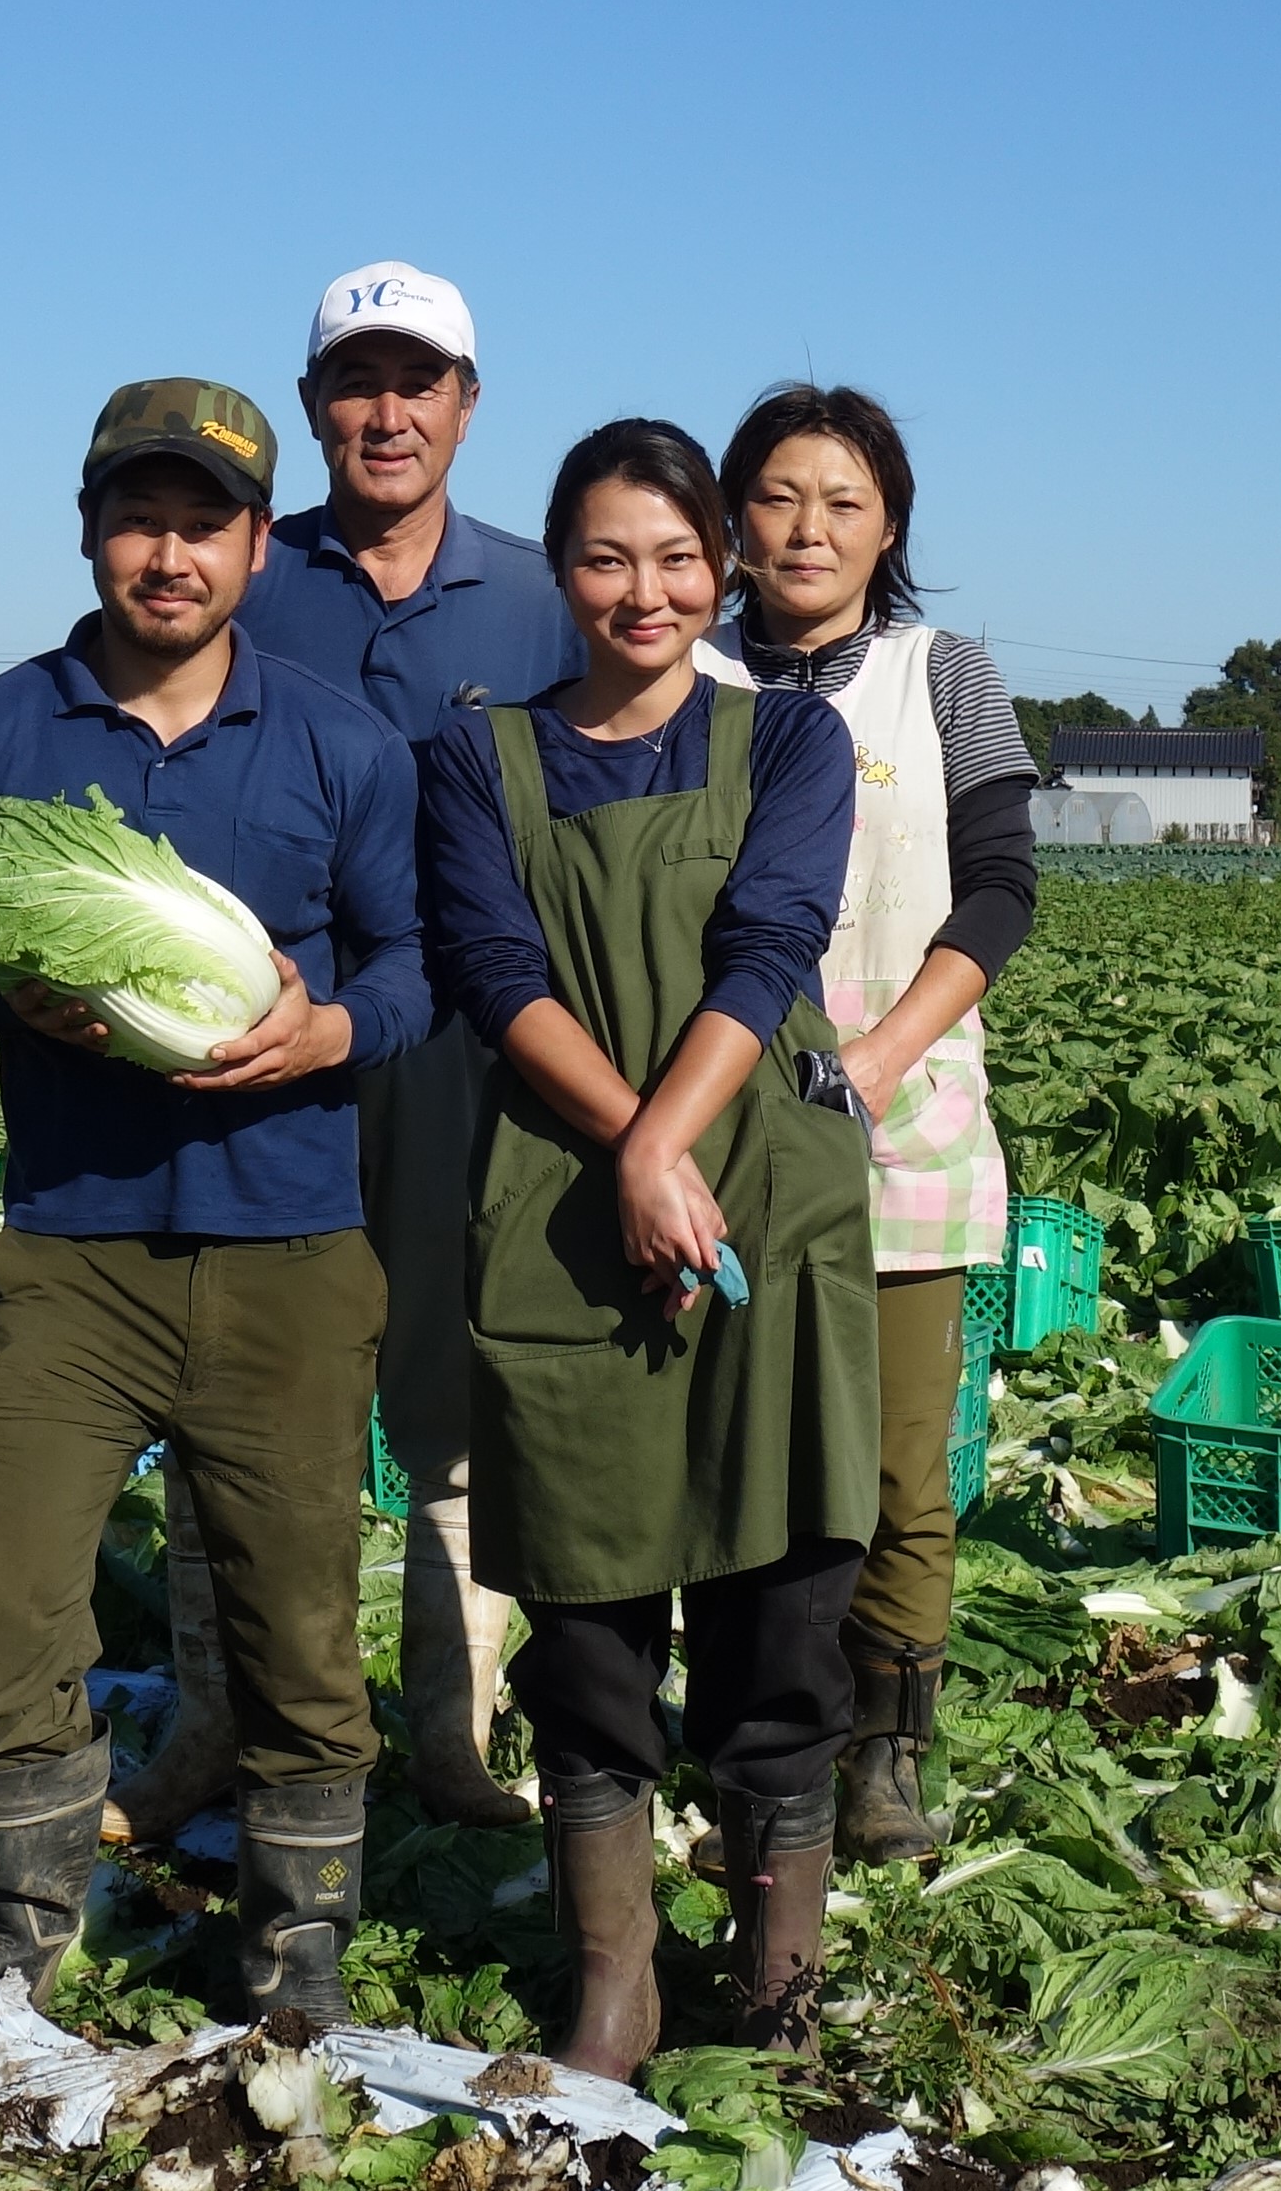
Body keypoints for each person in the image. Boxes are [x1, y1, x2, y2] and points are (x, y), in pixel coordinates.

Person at [0, 377, 427, 2028]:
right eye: (137, 520)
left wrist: (327, 1027)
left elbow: (414, 971)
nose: (166, 556)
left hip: (291, 1246)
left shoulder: (336, 741)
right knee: (1, 1570)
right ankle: (14, 1926)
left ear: (255, 542)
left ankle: (294, 1951)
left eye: (202, 525)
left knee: (297, 1612)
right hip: (73, 1249)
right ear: (92, 531)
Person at [418, 419, 880, 2075]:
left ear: (724, 569)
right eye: (610, 557)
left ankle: (775, 1975)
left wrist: (669, 1147)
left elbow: (769, 945)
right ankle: (616, 1978)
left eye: (681, 559)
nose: (648, 590)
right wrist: (629, 1153)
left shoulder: (790, 745)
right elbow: (488, 965)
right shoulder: (481, 754)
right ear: (561, 568)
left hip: (763, 1198)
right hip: (563, 1211)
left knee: (782, 1612)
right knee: (591, 1621)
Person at [110, 261, 579, 1843]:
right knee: (229, 1398)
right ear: (312, 407)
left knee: (454, 1405)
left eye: (419, 381)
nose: (388, 411)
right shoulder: (244, 569)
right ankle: (209, 1729)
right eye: (356, 382)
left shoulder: (537, 595)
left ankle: (449, 1739)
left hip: (473, 1062)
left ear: (465, 403)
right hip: (256, 1069)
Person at [700, 386, 1038, 1867]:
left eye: (841, 501)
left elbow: (1001, 887)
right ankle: (747, 1726)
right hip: (718, 1124)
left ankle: (883, 1749)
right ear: (732, 515)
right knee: (728, 1450)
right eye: (777, 497)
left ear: (887, 523)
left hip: (902, 1114)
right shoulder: (683, 666)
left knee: (899, 1466)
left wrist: (888, 1048)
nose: (807, 528)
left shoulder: (940, 672)